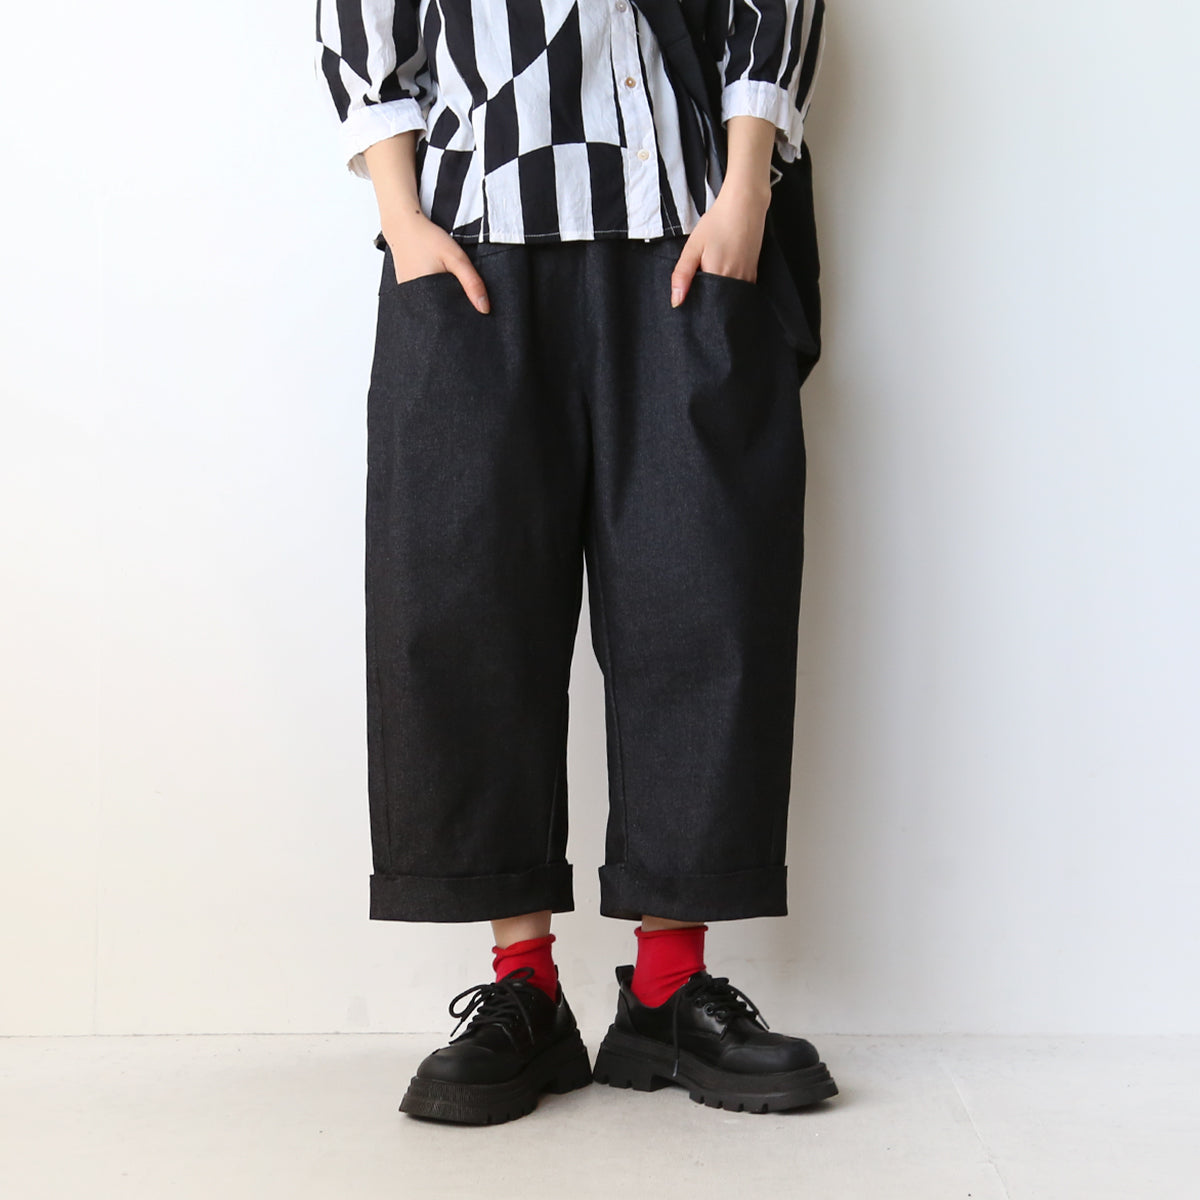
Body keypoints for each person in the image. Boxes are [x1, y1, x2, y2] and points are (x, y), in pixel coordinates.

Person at [313, 0, 836, 1123]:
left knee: (706, 595)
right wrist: (401, 219)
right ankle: (525, 988)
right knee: (463, 604)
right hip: (471, 246)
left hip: (687, 233)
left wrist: (747, 190)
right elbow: (361, 23)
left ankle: (669, 990)